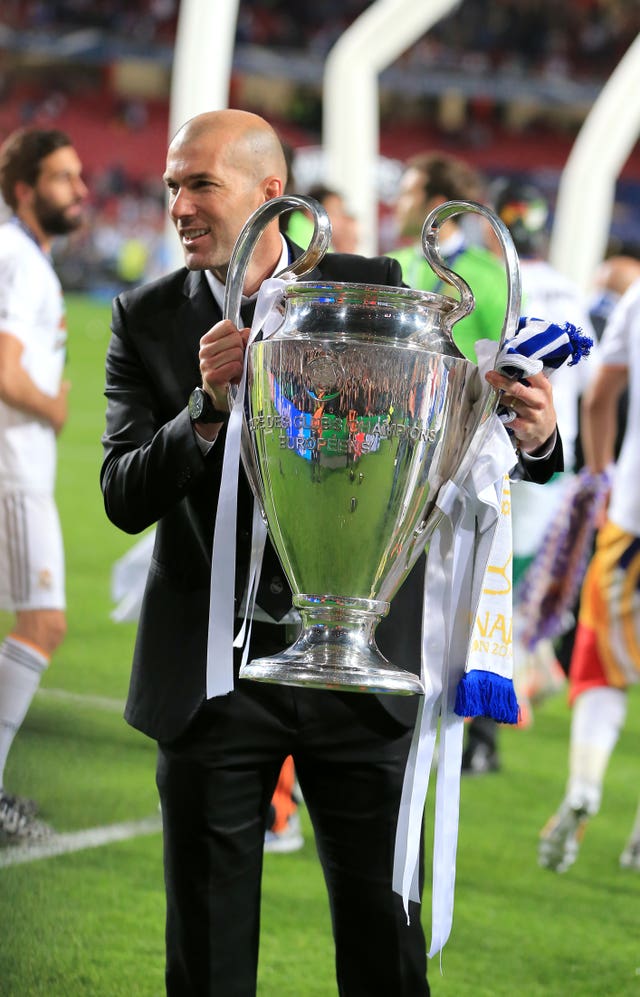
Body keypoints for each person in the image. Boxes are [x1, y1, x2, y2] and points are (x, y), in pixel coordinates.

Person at [100, 108, 562, 996]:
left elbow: (455, 434)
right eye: (170, 186)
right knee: (206, 961)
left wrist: (533, 435)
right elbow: (123, 493)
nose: (179, 205)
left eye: (201, 184)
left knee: (386, 955)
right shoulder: (147, 318)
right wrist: (201, 409)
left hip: (362, 673)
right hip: (213, 679)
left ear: (271, 194)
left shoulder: (373, 287)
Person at [461, 178, 599, 772]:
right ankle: (490, 724)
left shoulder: (491, 283)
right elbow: (588, 389)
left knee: (477, 593)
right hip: (553, 463)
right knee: (505, 599)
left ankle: (480, 730)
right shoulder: (571, 291)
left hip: (495, 450)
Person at [0, 127, 88, 843]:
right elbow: (3, 371)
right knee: (43, 621)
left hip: (18, 465)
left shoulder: (27, 259)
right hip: (13, 467)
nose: (80, 190)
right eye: (62, 178)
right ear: (26, 189)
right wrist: (54, 406)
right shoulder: (17, 258)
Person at [538, 274, 640, 874]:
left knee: (602, 665)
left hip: (631, 515)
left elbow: (601, 397)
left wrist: (601, 477)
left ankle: (584, 786)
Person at [387, 151, 507, 363]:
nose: (396, 203)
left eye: (407, 194)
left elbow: (506, 357)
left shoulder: (489, 273)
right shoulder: (390, 264)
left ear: (437, 205)